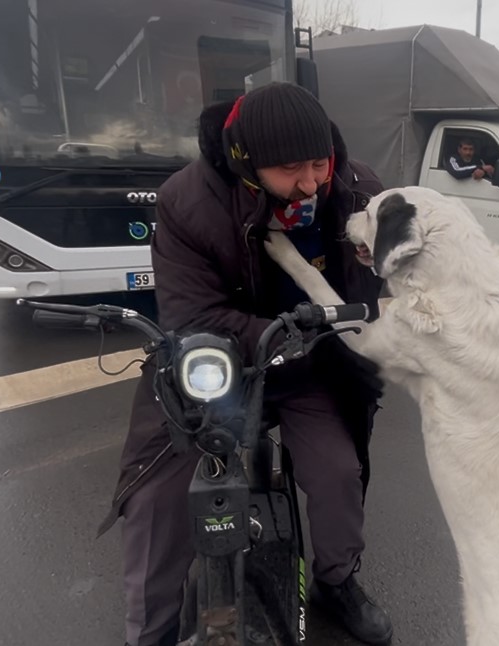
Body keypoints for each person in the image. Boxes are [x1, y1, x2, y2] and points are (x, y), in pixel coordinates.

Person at [97, 82, 393, 646]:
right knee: (155, 497)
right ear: (245, 163)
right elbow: (192, 314)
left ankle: (336, 579)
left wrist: (375, 279)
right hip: (216, 366)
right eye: (289, 169)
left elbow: (381, 287)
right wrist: (284, 334)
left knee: (337, 473)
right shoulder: (186, 201)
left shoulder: (359, 191)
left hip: (313, 365)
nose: (309, 182)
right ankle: (151, 631)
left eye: (318, 162)